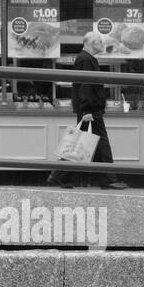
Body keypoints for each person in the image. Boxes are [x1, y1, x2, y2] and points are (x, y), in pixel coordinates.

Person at [48, 32, 127, 190]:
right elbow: (85, 86)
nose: (102, 45)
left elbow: (84, 85)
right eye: (99, 42)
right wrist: (86, 110)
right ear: (90, 43)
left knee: (80, 144)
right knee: (99, 144)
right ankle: (108, 179)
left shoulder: (86, 59)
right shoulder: (86, 59)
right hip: (90, 110)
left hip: (89, 109)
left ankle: (59, 176)